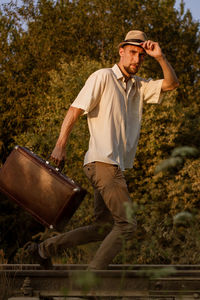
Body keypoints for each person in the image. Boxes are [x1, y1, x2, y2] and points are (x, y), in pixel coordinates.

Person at [28, 30, 179, 269]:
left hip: (112, 165)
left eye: (141, 56)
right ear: (121, 51)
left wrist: (159, 58)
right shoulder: (103, 76)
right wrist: (60, 145)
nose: (136, 60)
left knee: (104, 227)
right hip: (102, 163)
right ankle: (90, 281)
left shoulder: (139, 87)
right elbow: (74, 110)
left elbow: (171, 84)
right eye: (132, 53)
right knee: (127, 224)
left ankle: (43, 250)